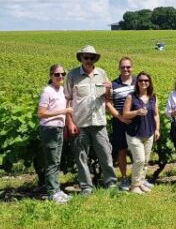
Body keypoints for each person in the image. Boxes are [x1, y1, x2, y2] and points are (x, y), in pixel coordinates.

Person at [64, 45, 118, 193]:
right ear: (81, 58)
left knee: (105, 153)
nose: (88, 60)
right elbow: (67, 99)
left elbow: (108, 98)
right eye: (86, 57)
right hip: (79, 122)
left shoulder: (102, 73)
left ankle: (111, 183)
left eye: (91, 57)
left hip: (99, 122)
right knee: (81, 157)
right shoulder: (72, 75)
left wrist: (108, 90)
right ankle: (86, 187)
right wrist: (69, 121)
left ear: (95, 59)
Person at [38, 64, 73, 203]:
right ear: (50, 75)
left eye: (63, 74)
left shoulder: (61, 90)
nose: (60, 77)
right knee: (52, 162)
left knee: (56, 160)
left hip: (58, 129)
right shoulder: (47, 91)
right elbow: (41, 113)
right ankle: (53, 192)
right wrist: (63, 112)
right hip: (50, 130)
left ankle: (57, 190)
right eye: (57, 74)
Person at [122, 71, 160, 194]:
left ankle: (141, 182)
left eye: (146, 80)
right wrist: (137, 112)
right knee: (139, 159)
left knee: (145, 160)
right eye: (141, 80)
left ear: (149, 83)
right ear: (137, 82)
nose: (143, 82)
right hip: (134, 134)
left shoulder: (153, 97)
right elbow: (125, 114)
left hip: (148, 132)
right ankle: (134, 186)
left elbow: (155, 114)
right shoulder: (131, 96)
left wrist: (157, 129)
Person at [107, 56, 135, 189]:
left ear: (132, 68)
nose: (126, 69)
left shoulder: (139, 82)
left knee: (138, 151)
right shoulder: (113, 84)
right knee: (122, 151)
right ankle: (124, 178)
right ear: (119, 68)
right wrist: (120, 117)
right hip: (119, 122)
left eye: (128, 67)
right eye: (123, 67)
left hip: (137, 122)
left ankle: (138, 178)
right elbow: (108, 104)